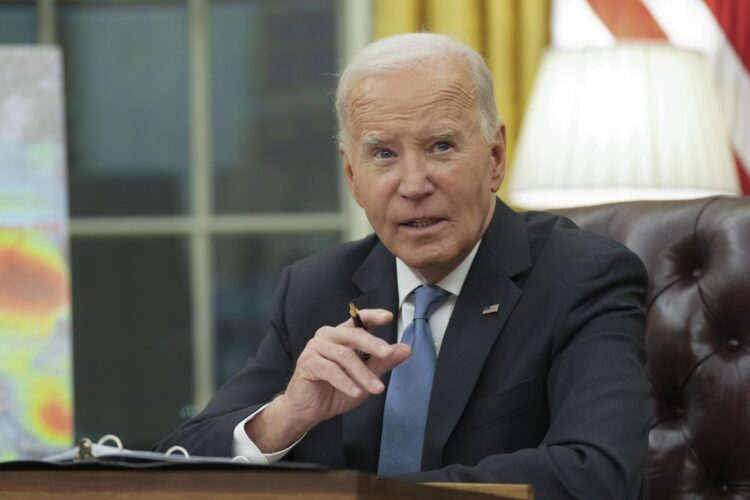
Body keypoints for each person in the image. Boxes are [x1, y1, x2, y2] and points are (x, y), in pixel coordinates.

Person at [156, 33, 650, 499]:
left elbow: (599, 472)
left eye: (441, 146)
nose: (413, 184)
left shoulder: (582, 278)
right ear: (352, 174)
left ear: (495, 156)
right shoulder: (315, 288)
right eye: (384, 154)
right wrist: (285, 417)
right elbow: (174, 463)